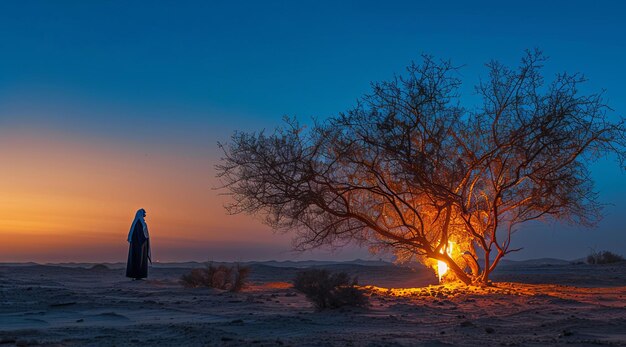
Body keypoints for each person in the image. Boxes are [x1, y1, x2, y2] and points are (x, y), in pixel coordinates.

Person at [126, 208, 151, 279]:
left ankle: (137, 276)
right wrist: (144, 240)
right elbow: (140, 235)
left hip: (139, 245)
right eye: (143, 213)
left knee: (138, 260)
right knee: (137, 260)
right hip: (138, 245)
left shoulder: (138, 223)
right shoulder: (139, 224)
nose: (144, 215)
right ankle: (137, 276)